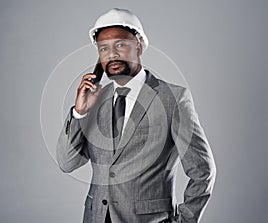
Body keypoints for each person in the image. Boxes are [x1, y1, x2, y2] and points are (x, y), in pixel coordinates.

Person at [57, 8, 216, 223]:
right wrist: (79, 112)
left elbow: (203, 171)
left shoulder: (173, 99)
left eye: (120, 45)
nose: (111, 54)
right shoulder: (95, 101)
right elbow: (68, 163)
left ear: (139, 47)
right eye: (103, 49)